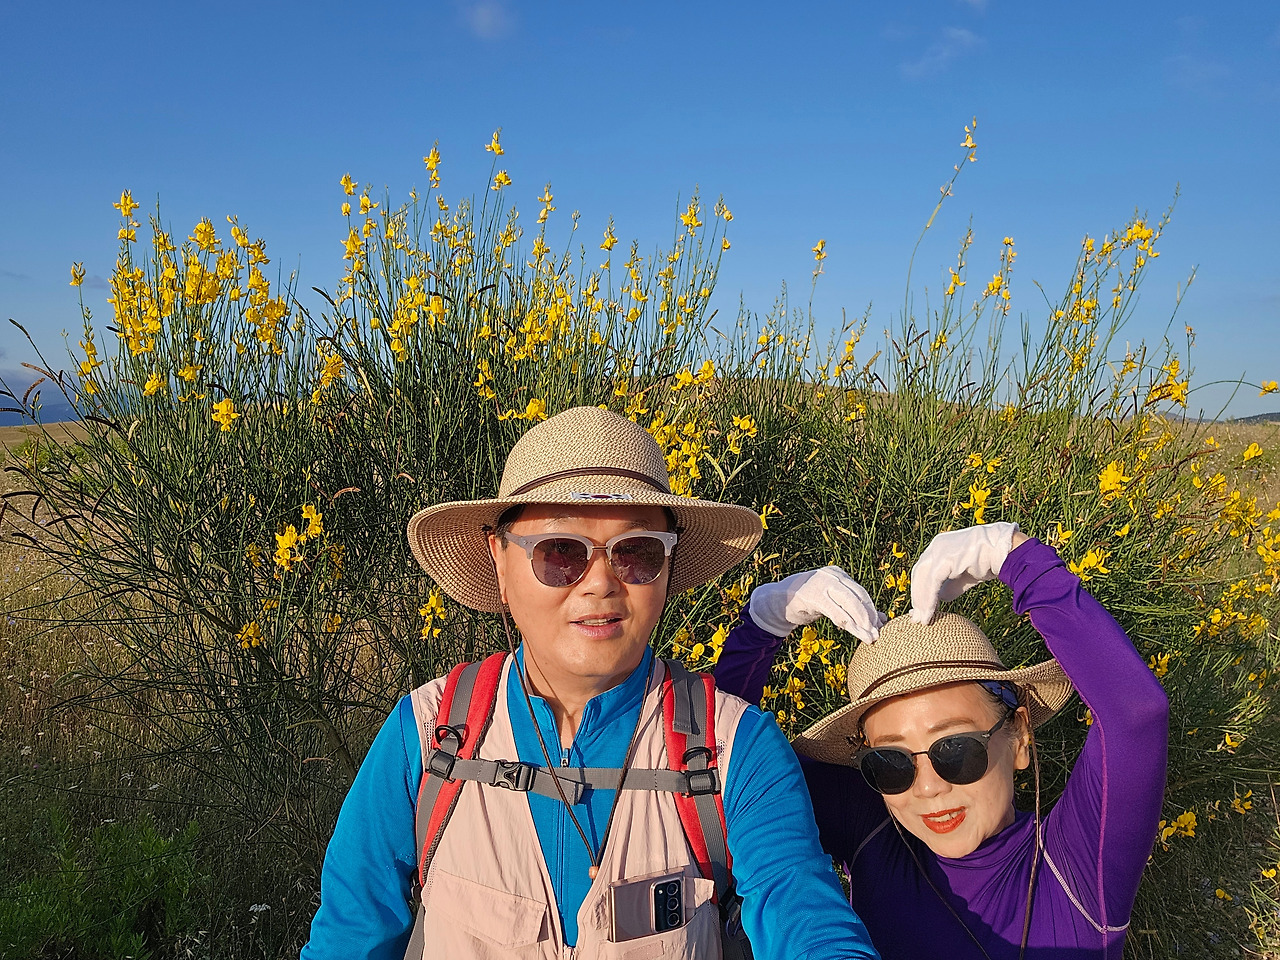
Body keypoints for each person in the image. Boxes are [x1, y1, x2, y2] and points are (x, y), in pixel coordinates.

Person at [301, 405, 879, 960]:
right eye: (560, 552)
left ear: (668, 568)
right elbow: (349, 935)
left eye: (637, 553)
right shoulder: (427, 734)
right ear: (500, 561)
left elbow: (801, 909)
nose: (601, 583)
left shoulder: (739, 747)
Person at [715, 522, 1169, 959]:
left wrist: (1014, 555)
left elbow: (1136, 716)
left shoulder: (1077, 867)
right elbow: (726, 760)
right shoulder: (873, 832)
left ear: (1019, 738)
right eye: (890, 764)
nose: (929, 788)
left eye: (956, 750)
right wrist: (764, 624)